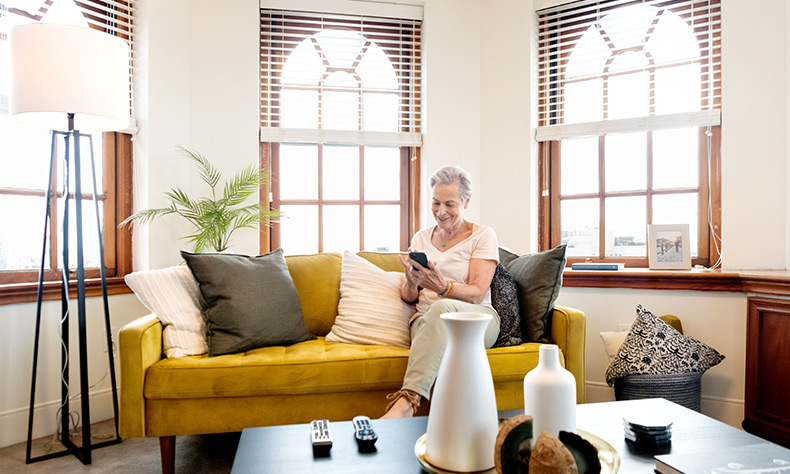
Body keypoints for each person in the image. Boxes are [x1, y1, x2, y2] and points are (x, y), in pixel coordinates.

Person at [381, 165, 501, 419]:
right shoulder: (421, 238)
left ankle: (406, 403)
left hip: (477, 320)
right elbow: (410, 297)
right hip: (426, 323)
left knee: (441, 308)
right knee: (434, 313)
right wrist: (412, 282)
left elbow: (478, 293)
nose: (441, 211)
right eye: (436, 203)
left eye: (450, 204)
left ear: (466, 201)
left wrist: (443, 288)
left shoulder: (482, 236)